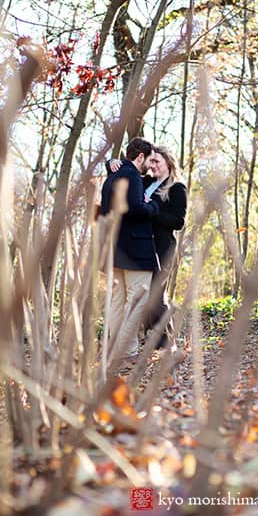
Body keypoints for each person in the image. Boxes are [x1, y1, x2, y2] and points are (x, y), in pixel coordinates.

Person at [109, 145, 187, 349]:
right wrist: (111, 164)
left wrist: (152, 210)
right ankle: (153, 339)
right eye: (151, 161)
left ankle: (166, 341)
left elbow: (178, 221)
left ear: (168, 163)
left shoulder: (177, 188)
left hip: (163, 247)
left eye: (156, 162)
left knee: (156, 294)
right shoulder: (146, 182)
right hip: (142, 247)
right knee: (143, 294)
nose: (152, 165)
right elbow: (128, 185)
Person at [101, 137, 160, 359]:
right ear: (140, 157)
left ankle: (115, 350)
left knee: (118, 302)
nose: (150, 166)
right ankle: (128, 351)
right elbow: (135, 208)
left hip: (115, 250)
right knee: (137, 301)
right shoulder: (133, 175)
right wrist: (152, 206)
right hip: (136, 250)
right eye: (149, 160)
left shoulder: (111, 177)